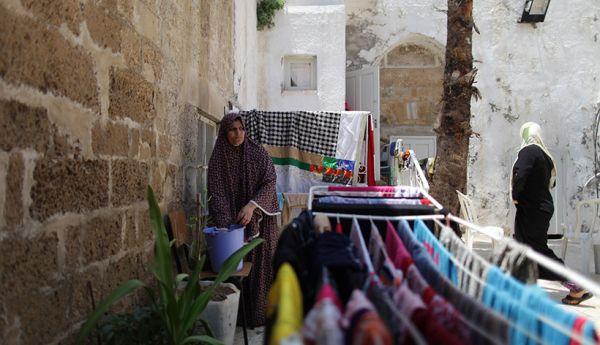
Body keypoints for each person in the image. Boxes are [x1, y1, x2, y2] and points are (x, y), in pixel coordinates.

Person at [208, 113, 280, 326]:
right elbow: (217, 193)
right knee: (236, 267)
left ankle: (260, 316)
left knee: (261, 267)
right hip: (233, 226)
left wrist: (252, 206)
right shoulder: (218, 158)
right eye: (232, 129)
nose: (238, 133)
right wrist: (230, 226)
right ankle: (237, 318)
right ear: (224, 132)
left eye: (241, 129)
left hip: (260, 219)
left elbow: (270, 182)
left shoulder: (258, 153)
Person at [511, 122, 592, 305]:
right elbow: (549, 183)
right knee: (525, 248)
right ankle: (523, 289)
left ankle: (575, 285)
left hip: (532, 209)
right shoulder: (544, 155)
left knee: (537, 250)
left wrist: (516, 196)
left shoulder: (529, 150)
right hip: (539, 208)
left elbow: (521, 174)